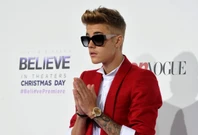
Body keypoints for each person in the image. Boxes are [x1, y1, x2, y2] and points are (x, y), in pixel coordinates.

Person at [67, 7, 162, 135]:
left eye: (98, 39)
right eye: (87, 39)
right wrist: (81, 115)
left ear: (117, 41)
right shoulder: (87, 77)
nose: (90, 44)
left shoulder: (142, 79)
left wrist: (93, 111)